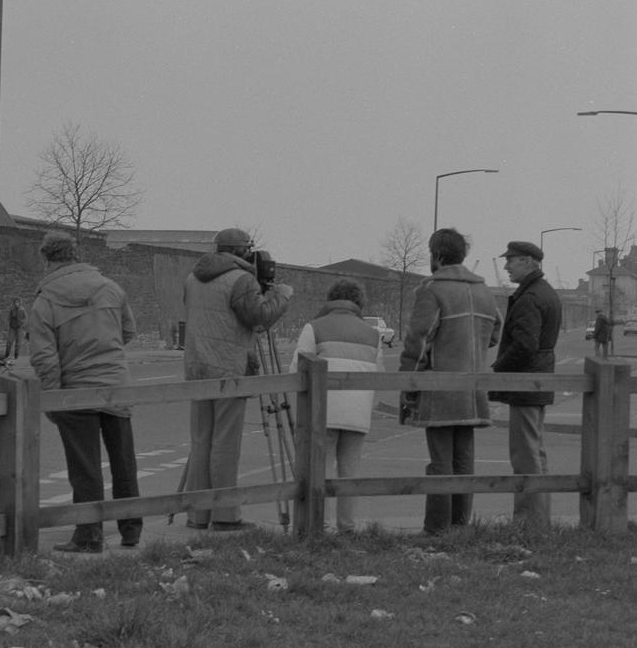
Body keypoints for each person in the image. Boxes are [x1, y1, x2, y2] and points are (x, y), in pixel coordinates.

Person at [28, 231, 141, 553]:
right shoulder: (110, 287)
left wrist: (52, 397)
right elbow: (128, 331)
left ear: (46, 258)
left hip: (76, 390)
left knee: (85, 467)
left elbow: (44, 356)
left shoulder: (45, 299)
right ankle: (131, 529)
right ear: (75, 254)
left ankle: (89, 535)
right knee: (124, 462)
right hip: (115, 385)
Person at [182, 227, 292, 531]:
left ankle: (197, 515)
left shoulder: (193, 278)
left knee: (201, 442)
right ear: (242, 251)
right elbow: (259, 317)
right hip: (229, 370)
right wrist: (281, 296)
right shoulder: (241, 280)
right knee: (225, 445)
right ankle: (225, 515)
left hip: (197, 370)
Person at [399, 228, 501, 535]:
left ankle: (436, 529)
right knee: (464, 461)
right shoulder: (483, 291)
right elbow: (495, 333)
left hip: (441, 389)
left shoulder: (432, 289)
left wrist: (409, 385)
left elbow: (418, 341)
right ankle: (460, 526)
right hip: (473, 390)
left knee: (440, 463)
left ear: (437, 255)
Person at [288, 278, 380, 533]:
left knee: (321, 469)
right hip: (358, 411)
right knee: (350, 472)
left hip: (322, 410)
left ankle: (319, 525)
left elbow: (297, 369)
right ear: (359, 302)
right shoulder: (372, 334)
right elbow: (379, 373)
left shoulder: (314, 327)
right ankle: (347, 527)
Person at [490, 240, 562, 528]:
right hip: (538, 379)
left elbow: (524, 346)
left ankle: (528, 522)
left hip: (526, 383)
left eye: (513, 259)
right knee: (535, 451)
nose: (506, 265)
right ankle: (538, 519)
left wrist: (498, 368)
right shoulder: (545, 293)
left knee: (525, 455)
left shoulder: (530, 297)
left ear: (530, 261)